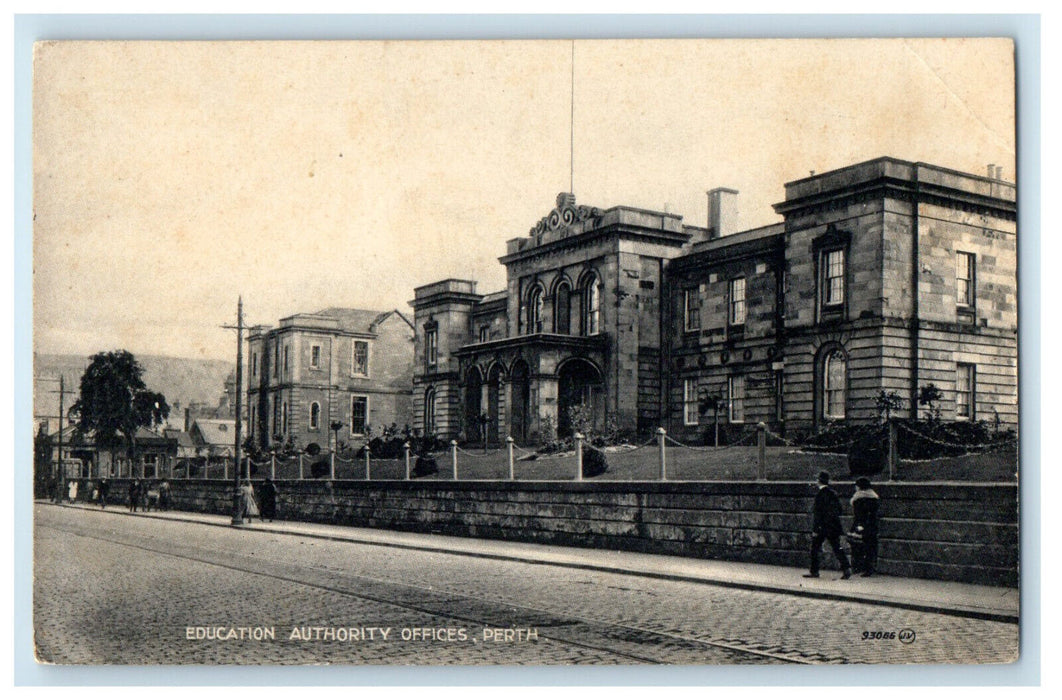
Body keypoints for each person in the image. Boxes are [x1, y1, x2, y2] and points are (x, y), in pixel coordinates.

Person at [804, 470, 852, 580]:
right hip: (833, 526)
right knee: (837, 548)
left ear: (819, 482)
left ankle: (814, 571)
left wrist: (816, 529)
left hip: (822, 527)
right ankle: (846, 568)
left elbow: (818, 514)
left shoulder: (820, 495)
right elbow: (839, 510)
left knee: (814, 548)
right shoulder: (832, 493)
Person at [849, 477, 881, 577]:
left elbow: (858, 515)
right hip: (873, 526)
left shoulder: (859, 498)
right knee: (871, 548)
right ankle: (870, 568)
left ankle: (860, 568)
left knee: (858, 547)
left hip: (861, 526)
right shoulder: (874, 497)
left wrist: (857, 527)